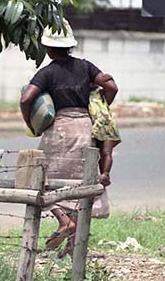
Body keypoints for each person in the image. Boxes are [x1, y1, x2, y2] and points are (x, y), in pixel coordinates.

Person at [20, 20, 119, 257]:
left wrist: (31, 123)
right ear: (70, 46)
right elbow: (112, 87)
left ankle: (63, 220)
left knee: (43, 181)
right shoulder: (86, 67)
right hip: (86, 129)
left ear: (48, 48)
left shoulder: (47, 72)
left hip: (59, 131)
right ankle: (74, 249)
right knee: (80, 187)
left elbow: (26, 99)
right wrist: (100, 106)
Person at [89, 80, 122, 187]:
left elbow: (113, 89)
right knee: (101, 153)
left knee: (106, 152)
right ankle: (103, 175)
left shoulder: (100, 92)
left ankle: (105, 173)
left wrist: (108, 79)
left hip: (105, 125)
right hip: (100, 125)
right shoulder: (86, 94)